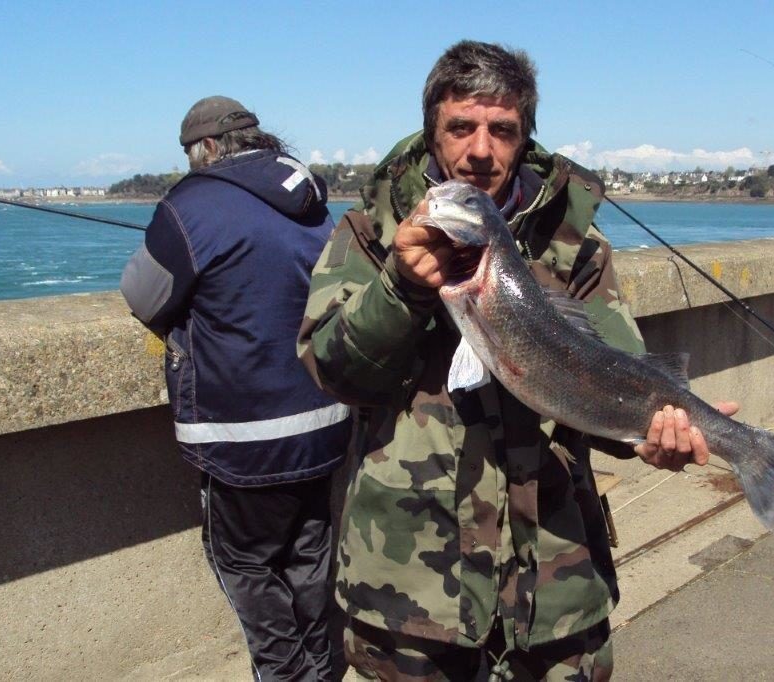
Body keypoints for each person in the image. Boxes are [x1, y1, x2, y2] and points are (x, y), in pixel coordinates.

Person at [298, 41, 734, 680]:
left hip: (554, 583)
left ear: (525, 136)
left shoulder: (576, 245)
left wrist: (651, 437)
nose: (481, 150)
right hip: (411, 588)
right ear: (432, 132)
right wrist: (401, 289)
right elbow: (330, 371)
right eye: (461, 127)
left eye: (502, 130)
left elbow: (616, 377)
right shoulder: (369, 233)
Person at [121, 95, 351, 680]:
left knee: (244, 565)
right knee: (308, 554)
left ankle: (287, 674)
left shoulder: (192, 203)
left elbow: (142, 295)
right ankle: (321, 668)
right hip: (324, 422)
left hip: (242, 436)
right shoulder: (309, 199)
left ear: (208, 150)